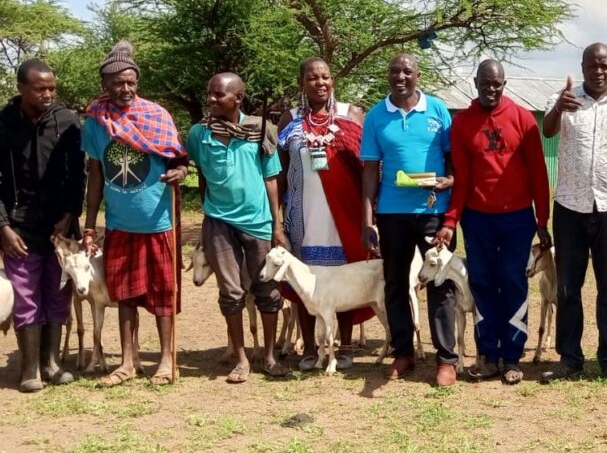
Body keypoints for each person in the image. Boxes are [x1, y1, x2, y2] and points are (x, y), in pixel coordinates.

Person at [433, 59, 551, 385]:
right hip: (478, 218)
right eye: (485, 83)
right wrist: (450, 220)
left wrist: (542, 219)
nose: (491, 89)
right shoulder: (463, 123)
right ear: (476, 82)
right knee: (483, 283)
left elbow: (539, 174)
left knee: (513, 282)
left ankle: (512, 357)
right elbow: (463, 177)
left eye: (497, 84)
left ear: (504, 83)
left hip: (517, 219)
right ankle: (488, 355)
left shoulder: (523, 119)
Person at [539, 43, 607, 388]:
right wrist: (559, 106)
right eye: (592, 66)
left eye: (605, 66)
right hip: (570, 207)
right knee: (569, 288)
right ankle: (570, 359)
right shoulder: (566, 100)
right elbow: (548, 131)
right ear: (582, 66)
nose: (598, 72)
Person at [80, 41, 188, 386]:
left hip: (158, 220)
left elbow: (180, 162)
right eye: (117, 83)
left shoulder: (157, 116)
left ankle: (167, 360)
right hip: (120, 223)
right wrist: (90, 225)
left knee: (163, 295)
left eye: (130, 82)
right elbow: (95, 176)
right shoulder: (96, 123)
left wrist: (180, 174)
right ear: (106, 87)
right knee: (124, 294)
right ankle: (129, 362)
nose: (125, 89)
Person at [0, 59, 85, 392]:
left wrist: (70, 214)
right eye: (40, 88)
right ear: (21, 88)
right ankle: (29, 368)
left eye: (52, 88)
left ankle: (52, 362)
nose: (48, 94)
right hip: (19, 226)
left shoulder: (68, 122)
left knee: (58, 291)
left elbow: (77, 175)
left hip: (60, 227)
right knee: (25, 296)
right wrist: (2, 227)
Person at [360, 53, 459, 386]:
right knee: (395, 282)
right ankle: (404, 353)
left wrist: (451, 182)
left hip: (433, 210)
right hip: (391, 213)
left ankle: (446, 359)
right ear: (388, 76)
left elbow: (453, 159)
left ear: (418, 75)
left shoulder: (437, 111)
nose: (400, 76)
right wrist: (367, 217)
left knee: (441, 282)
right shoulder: (376, 116)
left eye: (407, 71)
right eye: (394, 71)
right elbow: (371, 169)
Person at [187, 72, 288, 380]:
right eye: (210, 93)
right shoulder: (198, 134)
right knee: (231, 292)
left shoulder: (260, 131)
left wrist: (277, 226)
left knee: (266, 290)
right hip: (219, 223)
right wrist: (208, 211)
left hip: (257, 221)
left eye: (219, 95)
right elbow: (200, 173)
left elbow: (271, 179)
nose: (212, 99)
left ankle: (269, 356)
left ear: (238, 99)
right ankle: (241, 359)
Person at [277, 57, 375, 372]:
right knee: (304, 280)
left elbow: (367, 168)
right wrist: (276, 219)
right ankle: (309, 346)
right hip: (301, 215)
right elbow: (278, 173)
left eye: (326, 77)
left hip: (343, 214)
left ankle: (343, 346)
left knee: (342, 278)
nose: (320, 83)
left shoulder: (352, 115)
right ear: (302, 83)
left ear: (333, 81)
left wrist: (368, 217)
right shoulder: (288, 119)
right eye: (312, 78)